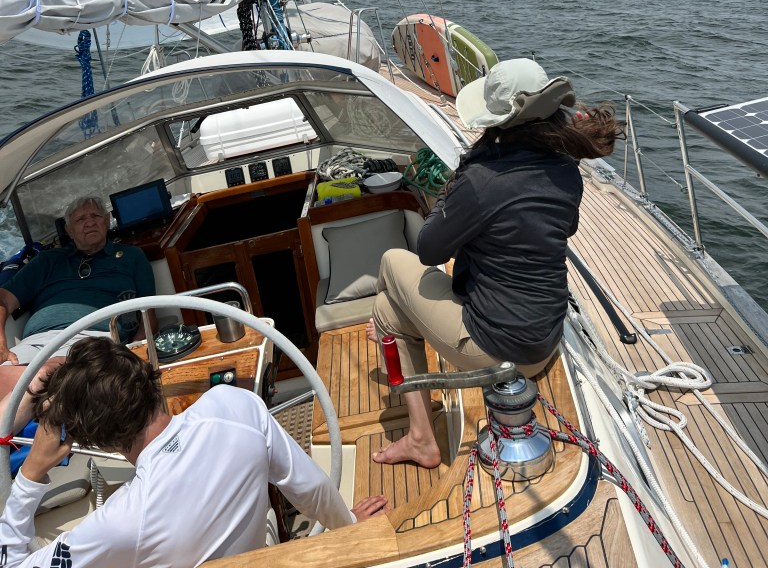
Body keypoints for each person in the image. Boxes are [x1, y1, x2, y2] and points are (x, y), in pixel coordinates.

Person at [369, 58, 624, 468]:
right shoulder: (566, 170)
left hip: (497, 349)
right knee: (388, 309)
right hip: (544, 337)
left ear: (496, 123)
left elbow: (430, 252)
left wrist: (453, 192)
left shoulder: (480, 179)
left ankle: (418, 431)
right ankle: (393, 336)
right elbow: (559, 227)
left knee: (390, 261)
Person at [0, 337, 389, 567]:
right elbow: (311, 489)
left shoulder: (121, 523)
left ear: (99, 440)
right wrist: (350, 525)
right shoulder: (234, 405)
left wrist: (31, 474)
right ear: (148, 376)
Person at [0, 195, 156, 428]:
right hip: (36, 340)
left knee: (48, 373)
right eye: (80, 219)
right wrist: (1, 341)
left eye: (95, 216)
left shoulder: (132, 257)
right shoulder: (47, 261)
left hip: (94, 339)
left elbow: (148, 312)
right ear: (69, 230)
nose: (89, 222)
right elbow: (3, 298)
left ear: (107, 221)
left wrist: (134, 352)